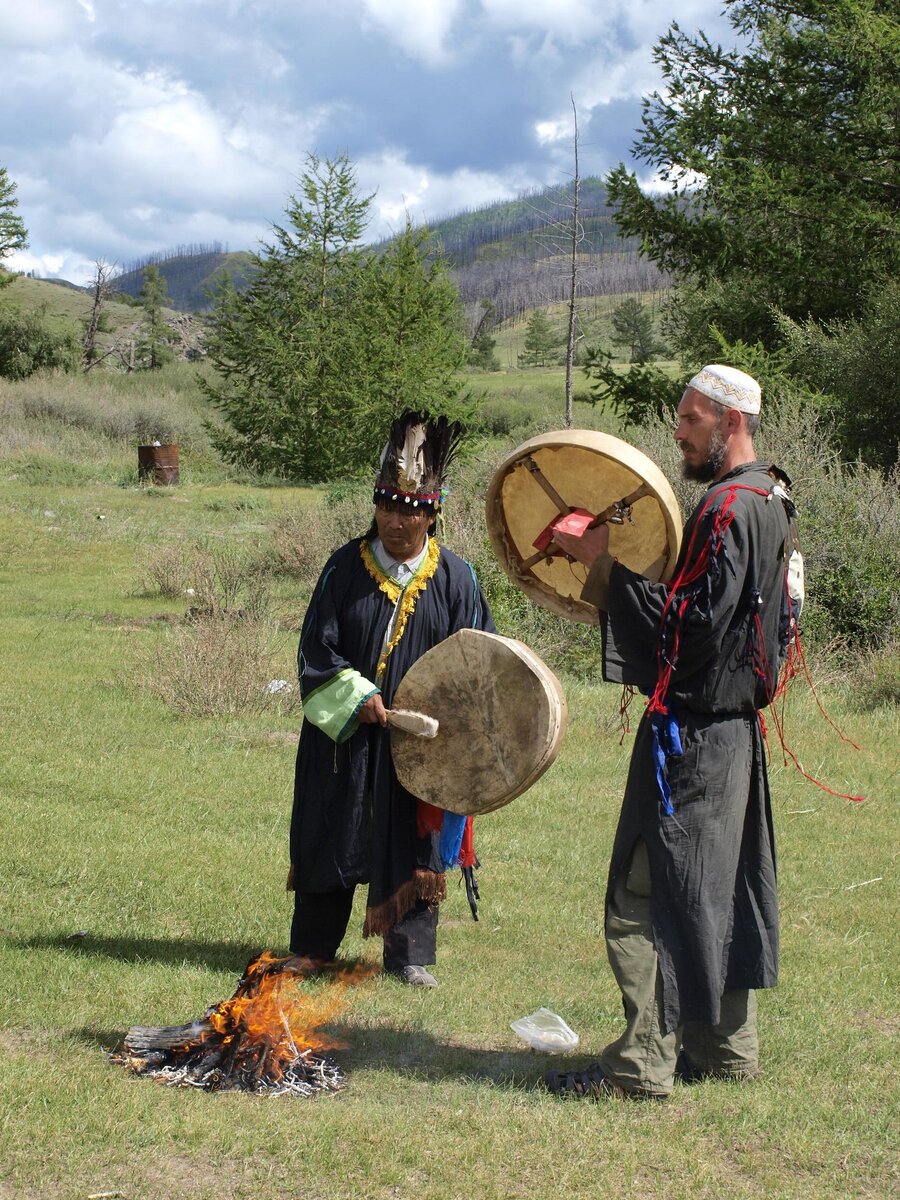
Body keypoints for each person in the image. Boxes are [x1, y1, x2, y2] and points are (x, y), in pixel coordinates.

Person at [546, 364, 800, 1099]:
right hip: (731, 736)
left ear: (731, 421)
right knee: (714, 888)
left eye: (690, 419)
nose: (679, 431)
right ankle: (725, 1051)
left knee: (649, 893)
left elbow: (688, 631)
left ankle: (639, 1068)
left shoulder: (724, 511)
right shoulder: (772, 497)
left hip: (690, 739)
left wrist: (602, 565)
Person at [286, 411, 495, 987]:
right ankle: (312, 948)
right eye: (387, 507)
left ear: (433, 513)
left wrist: (449, 721)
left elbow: (478, 661)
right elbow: (315, 653)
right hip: (345, 738)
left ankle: (411, 956)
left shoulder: (457, 579)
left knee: (415, 836)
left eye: (410, 510)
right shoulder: (343, 569)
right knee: (332, 826)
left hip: (420, 742)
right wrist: (361, 700)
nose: (396, 521)